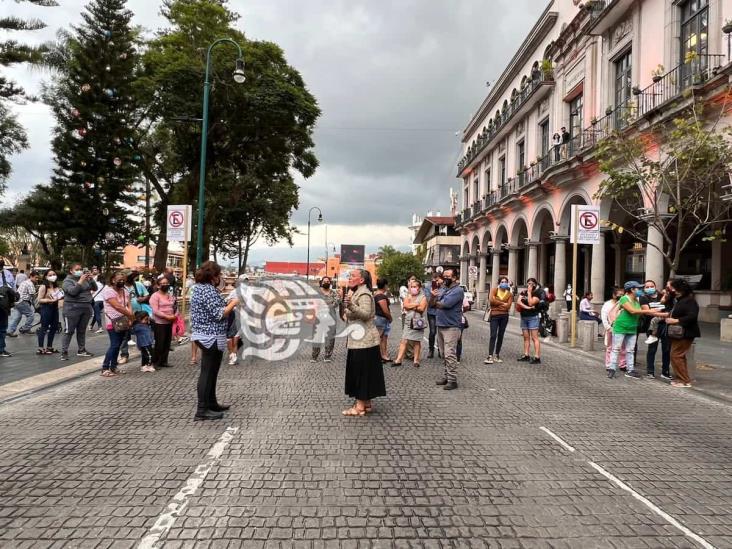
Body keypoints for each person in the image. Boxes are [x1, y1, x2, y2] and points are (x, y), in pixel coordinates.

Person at [190, 261, 239, 421]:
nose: (221, 278)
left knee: (212, 372)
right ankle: (202, 409)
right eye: (219, 274)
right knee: (207, 372)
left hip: (207, 335)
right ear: (213, 276)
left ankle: (211, 403)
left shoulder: (201, 289)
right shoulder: (207, 290)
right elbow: (220, 314)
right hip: (209, 335)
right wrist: (234, 302)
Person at [342, 269, 385, 416]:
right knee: (365, 372)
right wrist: (348, 308)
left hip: (364, 341)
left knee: (361, 373)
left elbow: (366, 314)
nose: (350, 278)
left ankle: (359, 407)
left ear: (361, 280)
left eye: (352, 276)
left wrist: (350, 306)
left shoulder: (364, 293)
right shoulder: (357, 292)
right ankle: (366, 404)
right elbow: (349, 314)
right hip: (361, 340)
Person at [606, 281, 665, 379]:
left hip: (632, 328)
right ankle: (611, 369)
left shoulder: (637, 300)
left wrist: (663, 314)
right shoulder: (624, 299)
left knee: (630, 350)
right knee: (616, 349)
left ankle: (630, 370)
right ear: (632, 290)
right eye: (638, 288)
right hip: (621, 327)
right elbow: (632, 311)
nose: (640, 290)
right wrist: (649, 310)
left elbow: (646, 312)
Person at [430, 268, 464, 390]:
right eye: (444, 276)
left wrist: (435, 301)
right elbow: (432, 303)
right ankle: (447, 376)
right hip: (441, 324)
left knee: (450, 354)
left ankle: (452, 380)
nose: (445, 278)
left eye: (448, 276)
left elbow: (444, 304)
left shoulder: (458, 290)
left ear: (454, 277)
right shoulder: (443, 288)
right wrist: (433, 297)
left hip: (451, 326)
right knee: (444, 354)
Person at [664, 278, 700, 388]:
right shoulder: (679, 299)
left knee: (675, 355)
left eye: (673, 287)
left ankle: (684, 380)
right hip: (678, 333)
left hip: (686, 333)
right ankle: (682, 379)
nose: (672, 289)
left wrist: (676, 320)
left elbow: (692, 316)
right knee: (678, 356)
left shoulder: (689, 301)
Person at [100, 271, 134, 377]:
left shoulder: (124, 290)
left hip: (123, 320)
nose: (121, 281)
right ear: (113, 280)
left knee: (118, 345)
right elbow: (117, 306)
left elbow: (128, 303)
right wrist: (130, 316)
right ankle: (105, 367)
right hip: (112, 321)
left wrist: (130, 316)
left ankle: (113, 367)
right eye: (119, 280)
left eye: (123, 280)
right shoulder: (108, 291)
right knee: (114, 345)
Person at [60, 264, 97, 360]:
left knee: (81, 330)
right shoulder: (67, 281)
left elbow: (95, 288)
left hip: (86, 307)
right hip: (72, 308)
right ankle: (64, 351)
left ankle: (81, 350)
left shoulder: (86, 279)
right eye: (77, 269)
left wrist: (91, 279)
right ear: (71, 271)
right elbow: (73, 292)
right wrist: (80, 281)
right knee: (69, 331)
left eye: (81, 269)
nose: (80, 271)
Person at [639, 280, 672, 379]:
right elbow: (647, 312)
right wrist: (664, 312)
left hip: (665, 325)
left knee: (666, 349)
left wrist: (658, 310)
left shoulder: (662, 295)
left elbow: (668, 307)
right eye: (647, 287)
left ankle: (665, 372)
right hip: (651, 327)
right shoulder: (643, 298)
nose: (649, 288)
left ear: (655, 286)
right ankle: (650, 372)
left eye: (651, 286)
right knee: (652, 349)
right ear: (644, 289)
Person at [393, 279, 427, 367]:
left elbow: (421, 308)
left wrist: (412, 306)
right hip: (408, 321)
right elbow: (405, 306)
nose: (412, 288)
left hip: (418, 321)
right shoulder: (408, 296)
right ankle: (398, 359)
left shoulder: (423, 297)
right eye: (411, 287)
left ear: (419, 288)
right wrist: (416, 304)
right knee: (404, 340)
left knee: (417, 341)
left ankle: (416, 360)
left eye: (415, 287)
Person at [311, 276, 340, 363]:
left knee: (330, 338)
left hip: (331, 318)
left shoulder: (334, 293)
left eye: (328, 281)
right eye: (324, 281)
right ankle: (314, 356)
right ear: (322, 282)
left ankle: (327, 356)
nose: (326, 282)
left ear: (330, 283)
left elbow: (336, 303)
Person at [485, 276, 513, 364]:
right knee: (493, 335)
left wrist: (497, 302)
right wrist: (502, 303)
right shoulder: (494, 290)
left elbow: (508, 306)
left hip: (504, 316)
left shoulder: (509, 294)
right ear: (499, 283)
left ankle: (497, 354)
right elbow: (491, 301)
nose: (504, 283)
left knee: (501, 335)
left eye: (505, 282)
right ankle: (490, 355)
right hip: (494, 315)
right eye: (502, 282)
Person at [516, 278, 544, 364]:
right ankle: (526, 355)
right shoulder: (523, 292)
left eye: (531, 284)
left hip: (533, 317)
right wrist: (527, 307)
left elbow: (531, 302)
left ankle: (537, 357)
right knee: (526, 337)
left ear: (535, 284)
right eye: (528, 283)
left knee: (534, 337)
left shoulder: (538, 293)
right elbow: (518, 302)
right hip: (524, 317)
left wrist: (529, 293)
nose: (529, 285)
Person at [150, 276, 176, 368]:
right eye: (163, 283)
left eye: (167, 283)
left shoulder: (170, 295)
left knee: (167, 343)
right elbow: (155, 310)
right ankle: (155, 362)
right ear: (158, 285)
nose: (165, 285)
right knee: (159, 343)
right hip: (159, 322)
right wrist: (166, 316)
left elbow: (174, 306)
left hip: (169, 322)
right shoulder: (155, 296)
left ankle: (164, 361)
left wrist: (174, 315)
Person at [36, 270, 63, 355]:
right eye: (50, 275)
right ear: (46, 277)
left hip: (55, 308)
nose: (52, 276)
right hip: (46, 308)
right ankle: (40, 348)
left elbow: (60, 297)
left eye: (54, 274)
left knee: (54, 327)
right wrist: (49, 300)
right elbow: (39, 299)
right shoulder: (44, 287)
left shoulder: (57, 287)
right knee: (44, 327)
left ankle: (49, 347)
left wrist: (60, 301)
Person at [7, 270, 39, 336]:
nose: (37, 279)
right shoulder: (30, 284)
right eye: (36, 277)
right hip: (22, 301)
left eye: (37, 278)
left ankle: (10, 331)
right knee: (31, 315)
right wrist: (36, 305)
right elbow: (33, 297)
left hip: (17, 301)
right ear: (31, 276)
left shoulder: (25, 282)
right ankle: (25, 329)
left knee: (17, 316)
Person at [601, 287, 626, 371]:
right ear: (614, 295)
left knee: (623, 347)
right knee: (610, 348)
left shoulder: (624, 303)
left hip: (622, 328)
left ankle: (622, 364)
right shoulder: (607, 304)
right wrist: (608, 328)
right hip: (611, 328)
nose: (621, 296)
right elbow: (604, 317)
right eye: (620, 295)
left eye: (623, 295)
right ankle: (609, 365)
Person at [373, 277, 392, 363]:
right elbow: (385, 310)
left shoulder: (376, 294)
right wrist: (390, 317)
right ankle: (381, 355)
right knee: (381, 338)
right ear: (385, 285)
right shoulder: (381, 296)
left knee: (382, 338)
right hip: (381, 319)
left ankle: (383, 355)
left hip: (378, 318)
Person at [0, 259, 16, 358]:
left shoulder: (7, 273)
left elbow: (13, 287)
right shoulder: (6, 273)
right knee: (1, 328)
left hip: (5, 305)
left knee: (2, 328)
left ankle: (1, 349)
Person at [425, 274, 442, 359]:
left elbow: (444, 301)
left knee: (441, 332)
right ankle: (431, 349)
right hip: (431, 312)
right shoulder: (428, 287)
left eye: (437, 279)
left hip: (441, 313)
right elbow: (429, 303)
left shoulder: (443, 287)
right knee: (432, 332)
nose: (435, 281)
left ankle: (440, 350)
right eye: (434, 280)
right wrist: (433, 296)